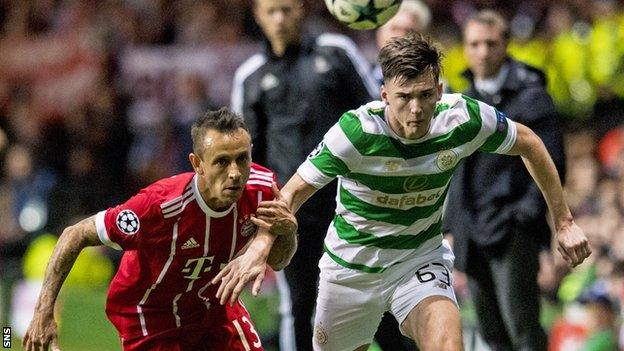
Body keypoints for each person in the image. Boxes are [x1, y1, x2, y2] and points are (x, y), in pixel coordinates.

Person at [215, 32, 591, 351]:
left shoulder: (462, 118)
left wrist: (564, 220)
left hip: (418, 259)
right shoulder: (355, 133)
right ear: (383, 94)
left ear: (439, 90)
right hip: (351, 269)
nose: (416, 110)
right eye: (404, 97)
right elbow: (291, 194)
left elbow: (529, 142)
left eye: (426, 95)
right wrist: (261, 248)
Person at [22, 108, 298, 351]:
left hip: (213, 309)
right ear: (198, 164)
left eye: (243, 159)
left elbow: (279, 260)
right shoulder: (158, 207)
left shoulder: (263, 189)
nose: (236, 173)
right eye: (222, 162)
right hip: (150, 317)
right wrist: (43, 313)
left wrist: (287, 231)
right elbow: (75, 234)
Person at [231, 0, 377, 350]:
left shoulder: (338, 53)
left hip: (351, 206)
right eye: (271, 11)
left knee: (375, 300)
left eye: (287, 9)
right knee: (299, 304)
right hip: (291, 212)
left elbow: (375, 118)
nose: (280, 18)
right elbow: (246, 156)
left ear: (302, 10)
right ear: (258, 16)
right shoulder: (249, 76)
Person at [443, 10, 566, 351]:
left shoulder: (531, 95)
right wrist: (452, 226)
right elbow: (456, 168)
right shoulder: (463, 100)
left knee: (522, 327)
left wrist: (524, 216)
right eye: (474, 44)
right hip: (472, 228)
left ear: (506, 45)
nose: (482, 52)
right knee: (490, 330)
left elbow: (552, 160)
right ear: (465, 49)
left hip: (512, 230)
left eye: (490, 43)